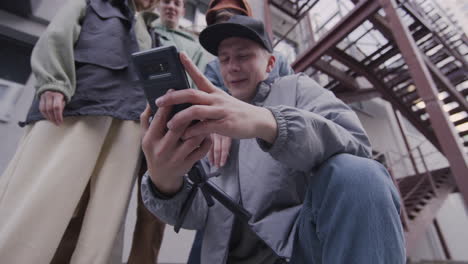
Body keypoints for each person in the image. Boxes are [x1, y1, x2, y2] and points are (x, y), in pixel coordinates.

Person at [140, 15, 406, 263]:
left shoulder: (297, 89)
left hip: (300, 249)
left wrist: (268, 122)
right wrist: (165, 184)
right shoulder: (209, 118)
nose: (233, 67)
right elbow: (199, 215)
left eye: (243, 56)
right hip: (224, 256)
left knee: (359, 174)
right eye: (224, 59)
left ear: (270, 63)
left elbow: (356, 144)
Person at [0, 0, 207, 263]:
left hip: (127, 129)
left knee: (102, 222)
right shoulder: (90, 2)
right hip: (79, 111)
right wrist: (53, 83)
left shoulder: (152, 32)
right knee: (44, 202)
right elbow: (57, 35)